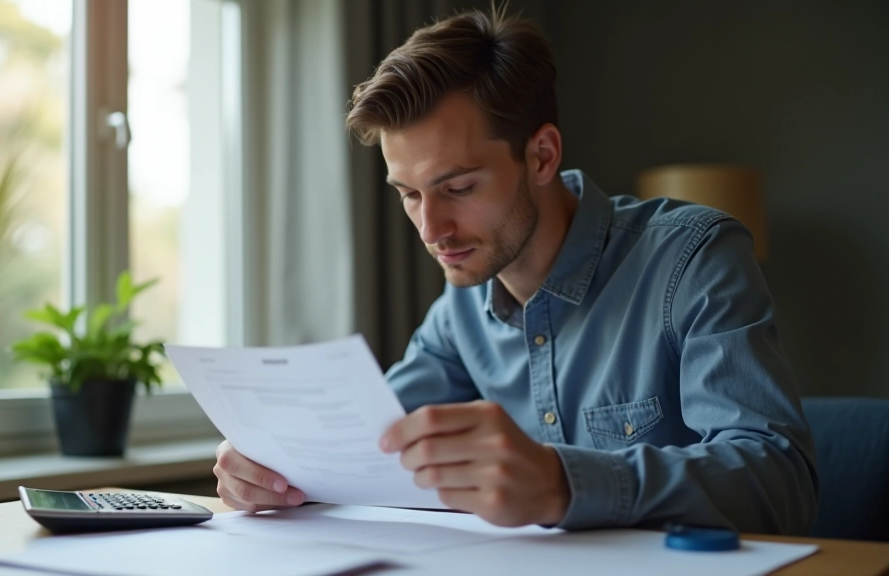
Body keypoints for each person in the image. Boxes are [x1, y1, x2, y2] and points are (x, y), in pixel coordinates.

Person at [212, 6, 819, 534]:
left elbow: (780, 482)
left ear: (542, 155)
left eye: (458, 187)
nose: (431, 230)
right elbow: (366, 444)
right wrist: (274, 466)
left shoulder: (693, 259)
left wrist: (562, 483)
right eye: (410, 195)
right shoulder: (460, 312)